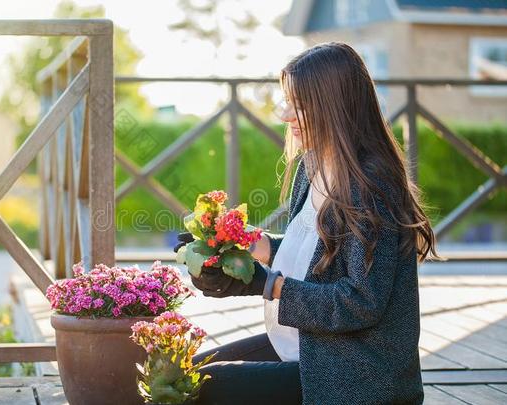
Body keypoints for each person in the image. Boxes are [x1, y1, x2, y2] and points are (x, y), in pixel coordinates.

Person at [173, 42, 439, 405]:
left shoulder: (370, 186)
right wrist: (239, 248)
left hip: (356, 374)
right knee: (179, 371)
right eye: (287, 101)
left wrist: (268, 285)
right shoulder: (312, 167)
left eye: (299, 105)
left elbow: (360, 302)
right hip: (308, 345)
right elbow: (319, 253)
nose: (285, 115)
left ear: (335, 107)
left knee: (196, 387)